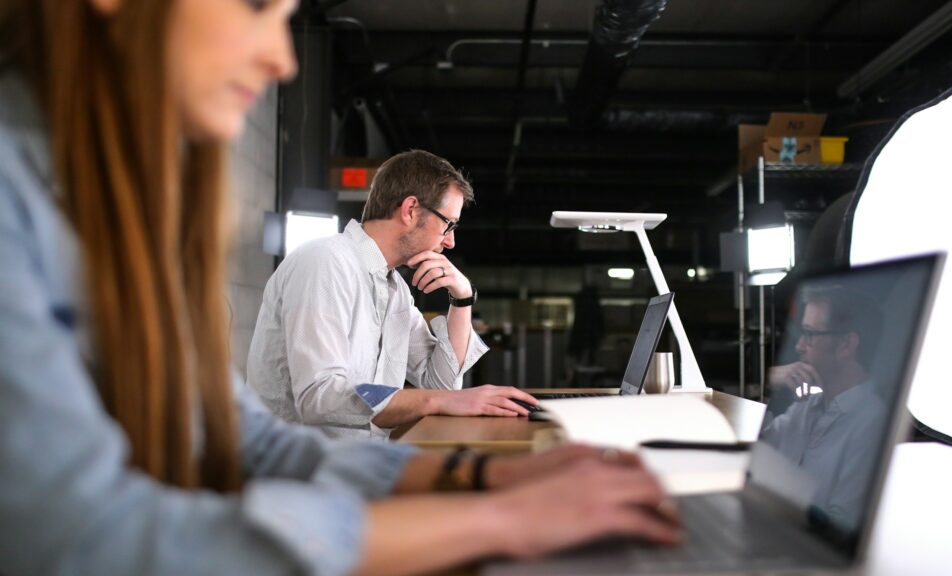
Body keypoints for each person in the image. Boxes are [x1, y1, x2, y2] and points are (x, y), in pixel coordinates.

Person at [0, 2, 681, 575]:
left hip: (336, 477)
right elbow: (83, 537)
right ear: (411, 212)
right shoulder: (326, 263)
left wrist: (482, 467)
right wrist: (493, 515)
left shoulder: (387, 287)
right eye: (257, 8)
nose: (282, 60)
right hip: (315, 488)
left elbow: (260, 440)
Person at [248, 149, 537, 440]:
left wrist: (462, 299)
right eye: (448, 224)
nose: (450, 241)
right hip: (299, 474)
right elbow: (320, 395)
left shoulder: (394, 289)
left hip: (355, 465)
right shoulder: (325, 261)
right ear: (410, 210)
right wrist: (437, 401)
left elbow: (441, 385)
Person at [761, 285, 886, 532]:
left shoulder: (872, 422)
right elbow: (752, 450)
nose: (799, 346)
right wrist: (767, 380)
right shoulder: (807, 405)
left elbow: (839, 526)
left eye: (809, 334)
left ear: (846, 346)